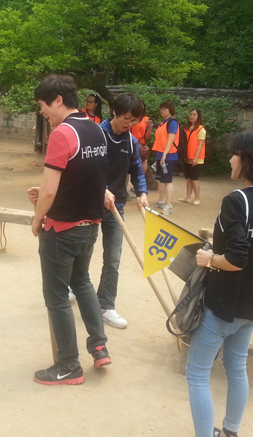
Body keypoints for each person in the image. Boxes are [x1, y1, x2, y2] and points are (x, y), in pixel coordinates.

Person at [187, 129, 253, 437]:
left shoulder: (236, 201)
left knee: (197, 374)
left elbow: (236, 259)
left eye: (236, 154)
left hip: (225, 305)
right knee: (236, 367)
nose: (231, 159)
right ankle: (230, 431)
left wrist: (209, 259)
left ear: (250, 160)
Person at [27, 74, 110, 386]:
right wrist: (48, 195)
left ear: (58, 100)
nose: (42, 112)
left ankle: (68, 365)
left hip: (62, 230)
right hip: (90, 227)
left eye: (43, 105)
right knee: (82, 282)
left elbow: (49, 191)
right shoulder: (96, 130)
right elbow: (86, 179)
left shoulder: (62, 133)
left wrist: (37, 219)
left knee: (57, 297)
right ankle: (99, 345)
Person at [98, 93, 149, 329]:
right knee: (80, 253)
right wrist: (101, 189)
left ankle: (105, 305)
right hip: (90, 205)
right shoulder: (97, 135)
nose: (129, 124)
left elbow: (137, 169)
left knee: (113, 259)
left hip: (116, 207)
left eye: (134, 120)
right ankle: (72, 287)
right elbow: (85, 168)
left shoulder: (130, 141)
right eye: (126, 118)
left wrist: (142, 193)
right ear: (114, 112)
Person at [152, 101, 179, 215]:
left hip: (168, 156)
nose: (162, 110)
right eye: (161, 108)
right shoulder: (163, 122)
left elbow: (170, 140)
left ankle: (169, 205)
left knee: (167, 181)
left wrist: (164, 155)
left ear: (170, 110)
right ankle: (162, 201)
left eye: (165, 108)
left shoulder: (172, 122)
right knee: (160, 179)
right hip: (160, 155)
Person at [180, 109, 206, 206]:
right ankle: (188, 197)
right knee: (188, 179)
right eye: (190, 114)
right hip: (187, 157)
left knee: (194, 179)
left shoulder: (201, 129)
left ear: (198, 116)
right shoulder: (187, 128)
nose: (191, 116)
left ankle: (197, 198)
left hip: (196, 158)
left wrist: (196, 158)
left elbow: (200, 145)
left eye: (194, 115)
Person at [130, 107, 153, 177]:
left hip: (141, 145)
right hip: (130, 143)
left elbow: (146, 136)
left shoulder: (146, 119)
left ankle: (140, 181)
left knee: (143, 161)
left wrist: (150, 127)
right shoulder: (130, 117)